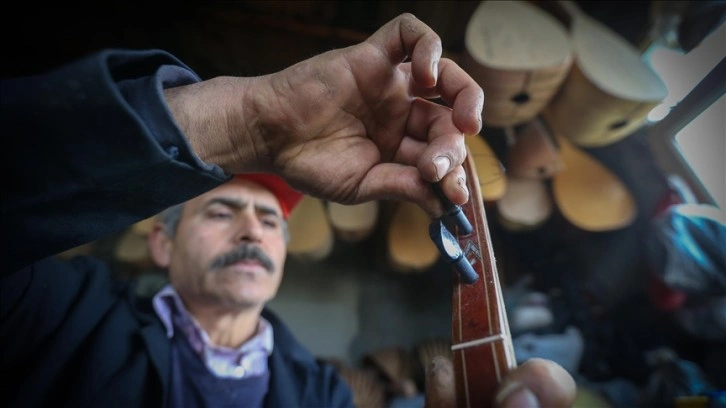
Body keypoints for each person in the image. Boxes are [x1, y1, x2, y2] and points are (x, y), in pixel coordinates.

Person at [1, 12, 575, 408]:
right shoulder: (61, 316)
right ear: (161, 242)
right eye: (222, 212)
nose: (254, 226)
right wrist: (249, 120)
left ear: (282, 251)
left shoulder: (321, 394)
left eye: (271, 219)